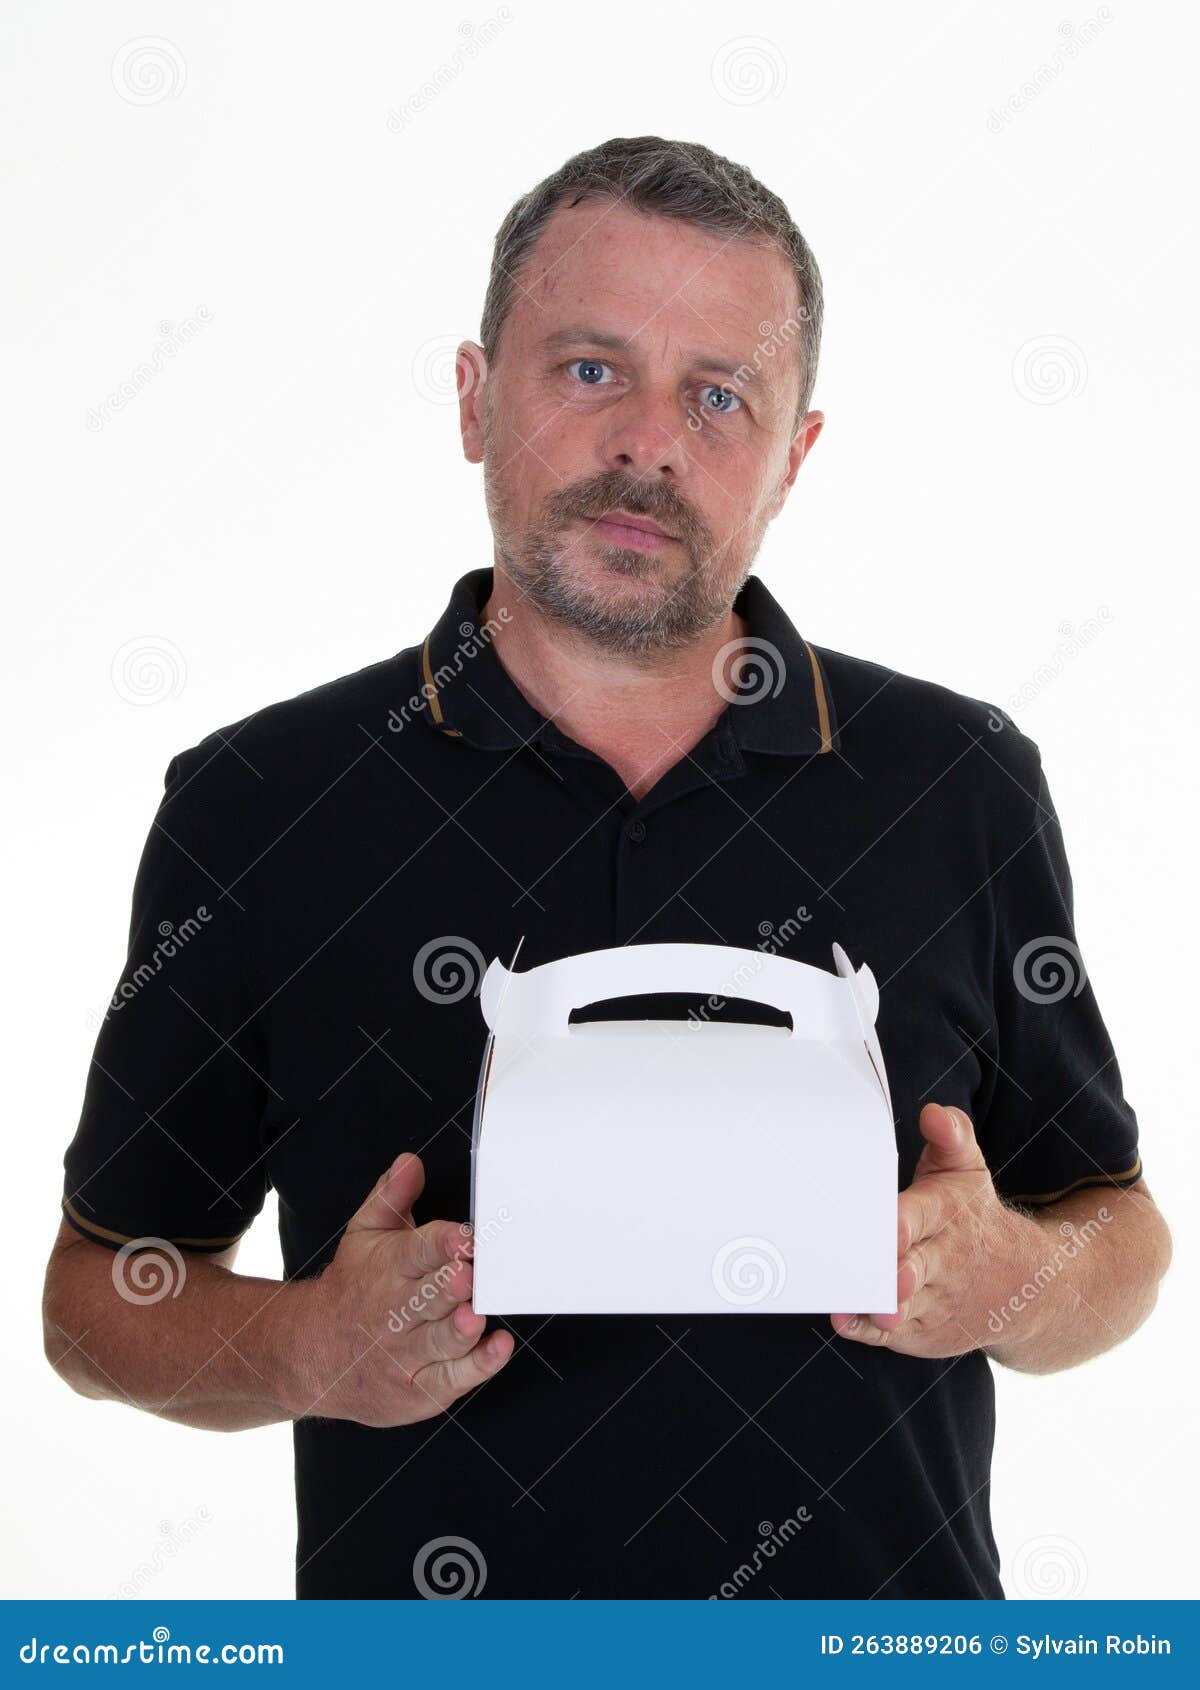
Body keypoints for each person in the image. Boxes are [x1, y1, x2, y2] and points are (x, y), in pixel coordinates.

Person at [43, 136, 1171, 1600]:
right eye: (589, 370)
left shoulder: (956, 782)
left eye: (718, 394)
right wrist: (302, 1344)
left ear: (793, 456)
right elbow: (95, 1297)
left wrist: (1012, 1275)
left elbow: (1117, 1227)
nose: (650, 442)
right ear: (472, 395)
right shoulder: (263, 800)